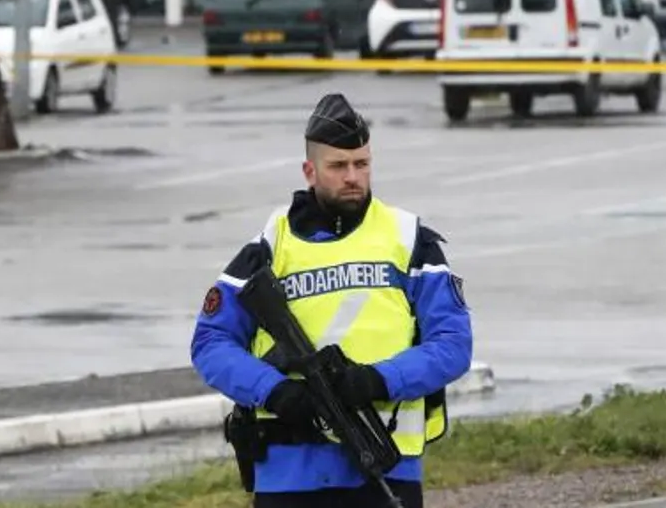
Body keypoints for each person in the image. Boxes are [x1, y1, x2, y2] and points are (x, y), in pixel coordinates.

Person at [190, 92, 474, 507]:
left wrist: (378, 380)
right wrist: (276, 392)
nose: (352, 177)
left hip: (384, 466)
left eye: (362, 164)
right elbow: (210, 343)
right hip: (289, 472)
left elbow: (453, 344)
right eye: (338, 166)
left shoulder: (409, 241)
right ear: (310, 170)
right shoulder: (270, 248)